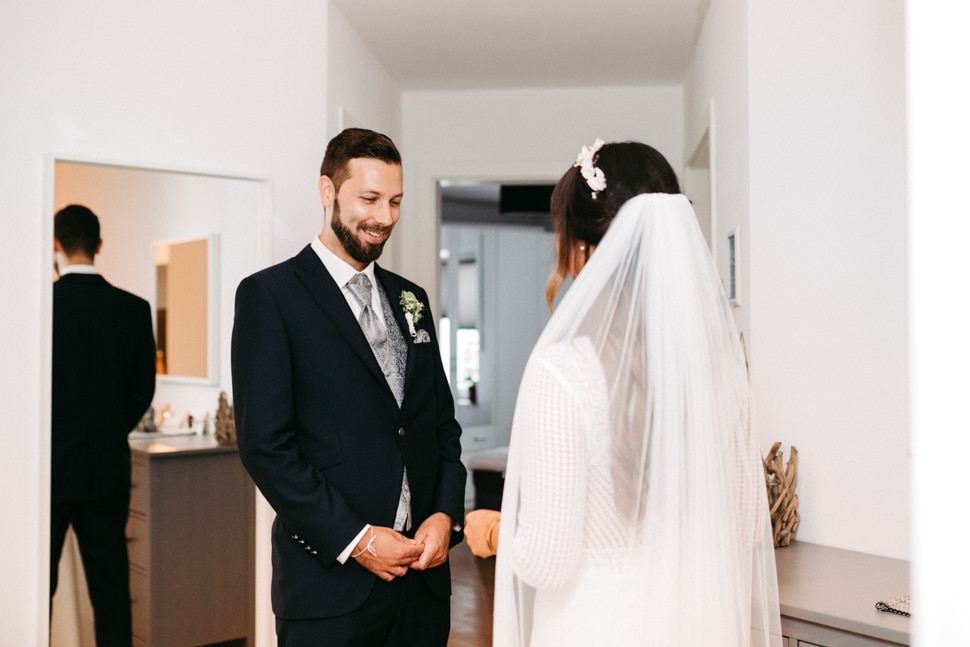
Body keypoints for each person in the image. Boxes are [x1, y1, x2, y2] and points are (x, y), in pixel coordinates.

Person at [465, 140, 782, 646]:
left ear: (581, 247)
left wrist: (491, 529)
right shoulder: (721, 368)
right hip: (697, 624)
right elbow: (746, 526)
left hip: (597, 626)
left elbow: (548, 561)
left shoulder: (564, 371)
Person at [231, 128, 466, 646]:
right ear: (327, 192)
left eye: (396, 201)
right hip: (329, 593)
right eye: (370, 198)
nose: (385, 217)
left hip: (423, 589)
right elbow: (266, 448)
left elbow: (439, 426)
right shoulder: (270, 297)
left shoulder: (413, 299)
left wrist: (445, 516)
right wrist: (357, 541)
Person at [51, 204, 157, 646]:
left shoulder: (40, 308)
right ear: (99, 245)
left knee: (38, 584)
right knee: (111, 591)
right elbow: (142, 390)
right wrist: (111, 427)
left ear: (56, 244)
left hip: (49, 471)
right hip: (106, 468)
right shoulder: (133, 309)